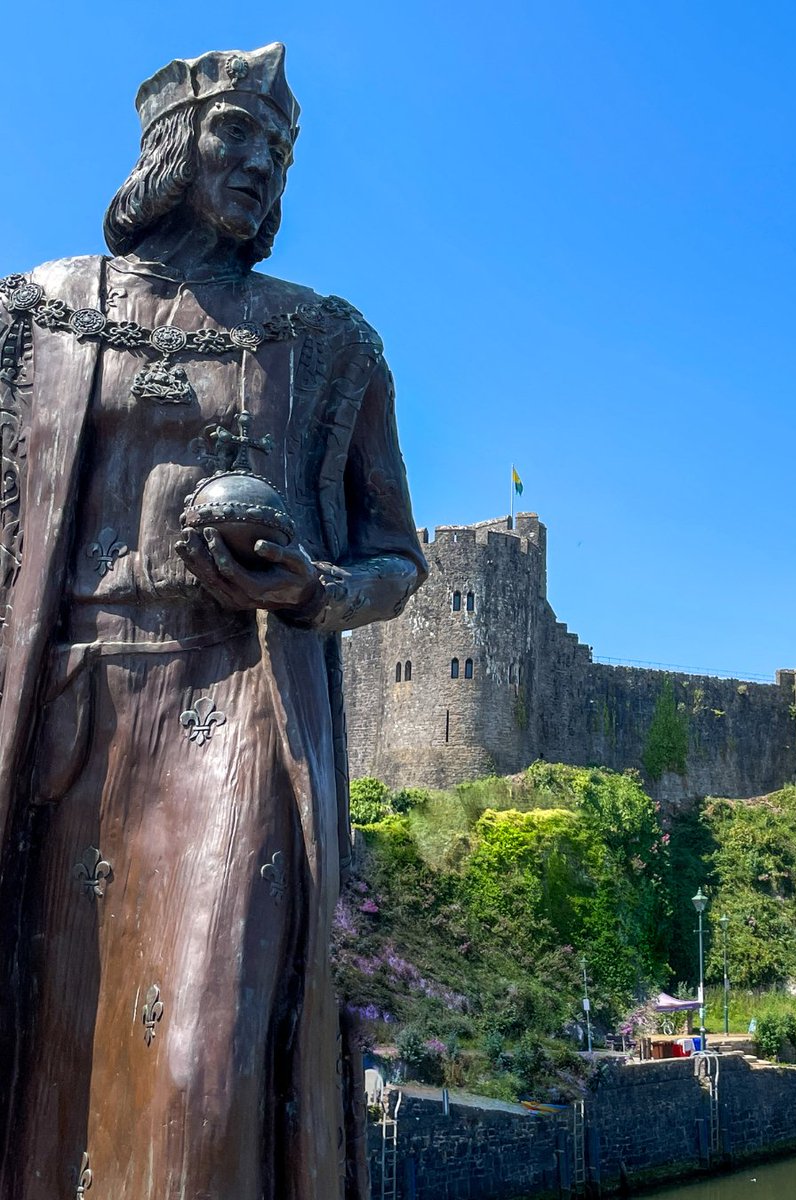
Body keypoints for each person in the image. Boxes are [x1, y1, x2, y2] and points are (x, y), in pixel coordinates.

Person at [0, 44, 426, 1200]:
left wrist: (312, 590)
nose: (261, 166)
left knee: (202, 1062)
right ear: (171, 147)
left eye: (280, 152)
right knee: (45, 1054)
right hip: (62, 718)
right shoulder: (36, 315)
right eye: (240, 135)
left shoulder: (330, 342)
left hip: (232, 705)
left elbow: (397, 560)